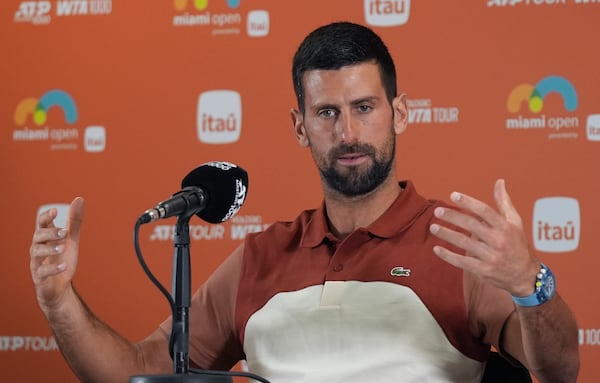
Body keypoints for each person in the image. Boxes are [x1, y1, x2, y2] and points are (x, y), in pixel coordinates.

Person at [30, 21, 580, 383]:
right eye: (327, 113)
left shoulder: (458, 246)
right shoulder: (258, 257)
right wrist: (60, 303)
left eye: (365, 107)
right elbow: (138, 370)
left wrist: (528, 282)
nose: (348, 132)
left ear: (401, 113)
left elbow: (559, 370)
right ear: (300, 126)